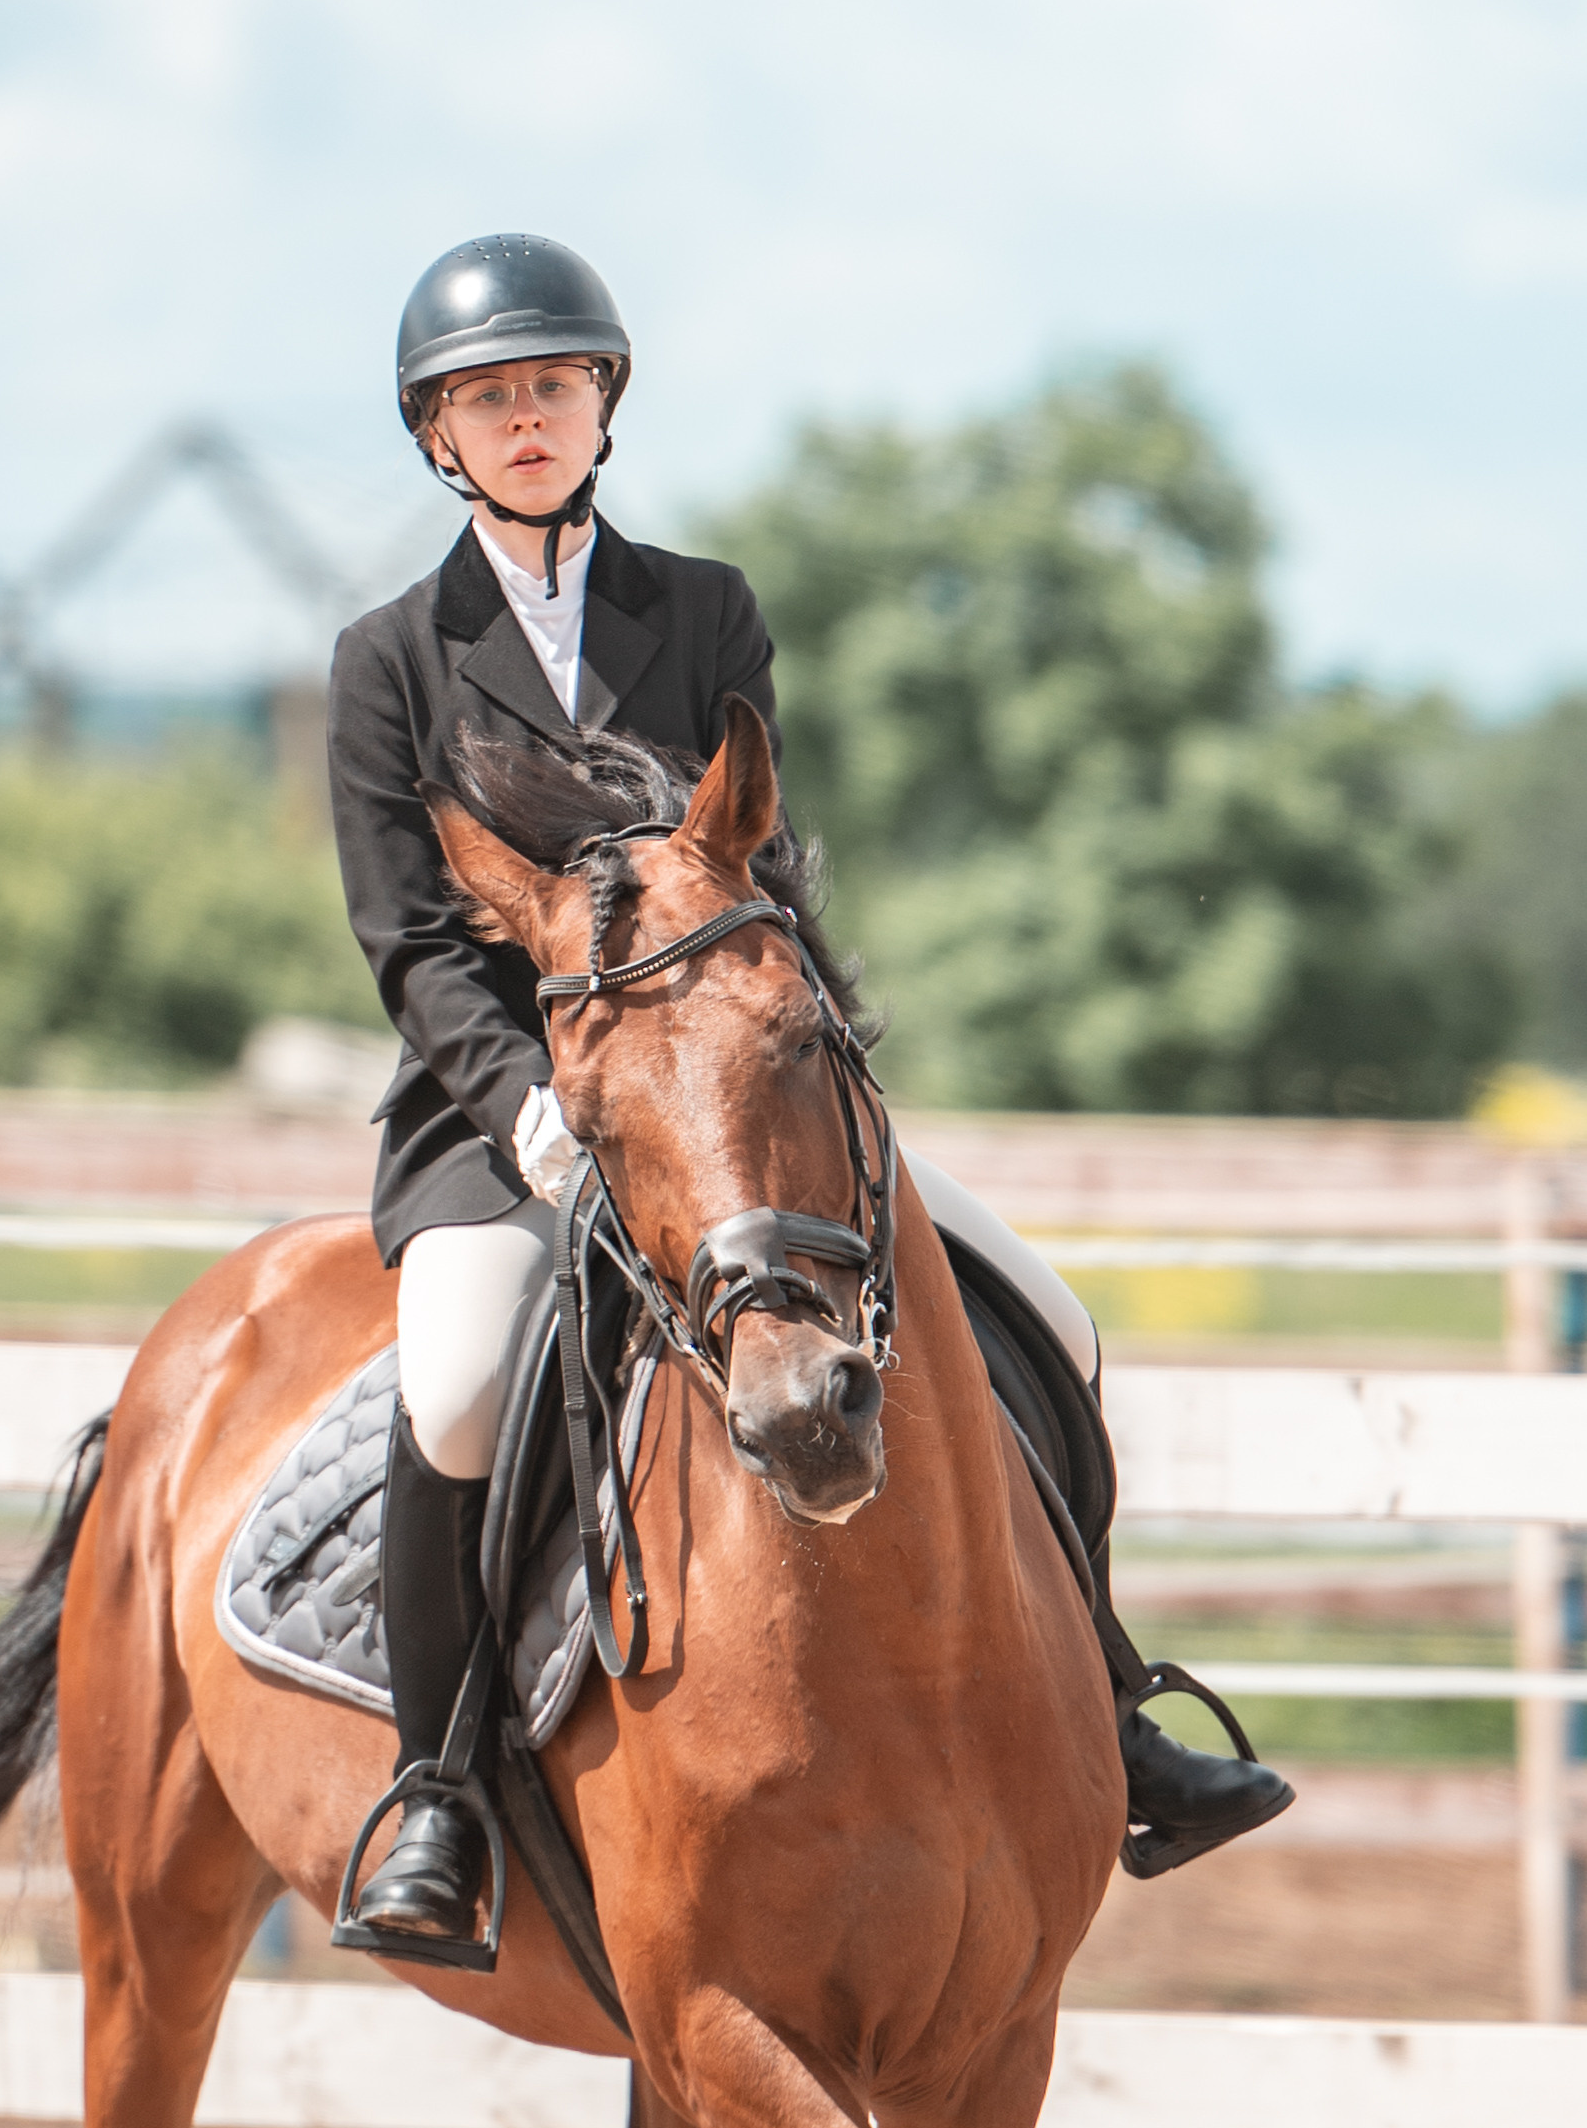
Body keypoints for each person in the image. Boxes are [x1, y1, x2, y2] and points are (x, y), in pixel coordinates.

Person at [327, 233, 1291, 1950]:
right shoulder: (388, 656)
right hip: (510, 1117)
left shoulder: (704, 610)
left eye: (553, 386)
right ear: (438, 437)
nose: (526, 419)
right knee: (461, 1385)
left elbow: (756, 869)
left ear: (601, 407)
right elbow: (408, 936)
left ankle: (1111, 1701)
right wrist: (527, 1101)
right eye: (488, 399)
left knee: (1052, 1325)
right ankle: (437, 1789)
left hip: (737, 1090)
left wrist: (787, 1055)